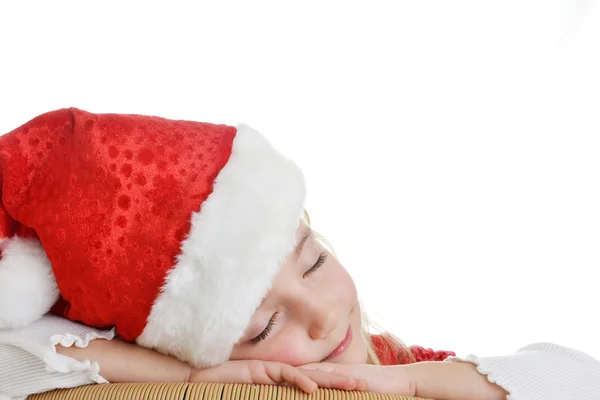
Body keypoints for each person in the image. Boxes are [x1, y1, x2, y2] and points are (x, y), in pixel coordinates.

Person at [1, 109, 599, 400]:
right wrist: (185, 375)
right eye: (263, 327)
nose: (321, 313)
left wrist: (414, 382)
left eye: (312, 261)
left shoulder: (401, 365)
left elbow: (579, 377)